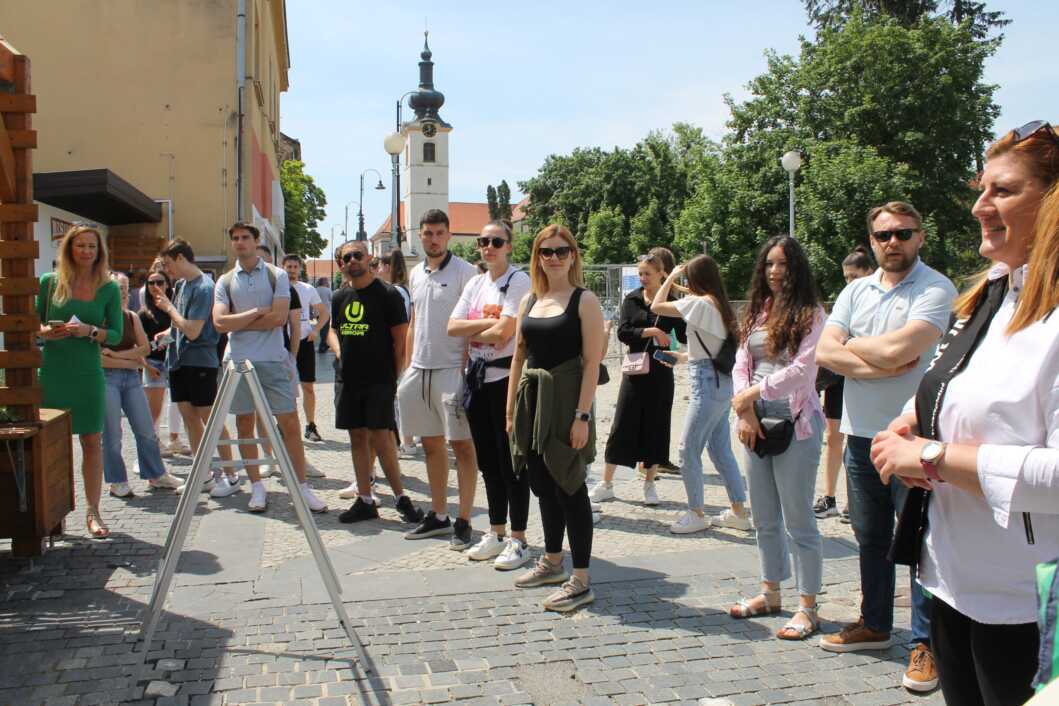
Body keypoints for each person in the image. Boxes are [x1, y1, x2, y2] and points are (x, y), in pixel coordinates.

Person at [870, 120, 1059, 705]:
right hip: (950, 586)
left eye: (1003, 191)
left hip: (1029, 606)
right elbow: (955, 386)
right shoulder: (993, 294)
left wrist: (931, 454)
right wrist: (912, 419)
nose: (980, 206)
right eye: (982, 189)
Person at [815, 202, 957, 691]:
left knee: (919, 542)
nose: (892, 242)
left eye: (902, 233)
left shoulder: (936, 288)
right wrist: (877, 363)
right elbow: (824, 352)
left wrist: (854, 350)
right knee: (870, 536)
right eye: (883, 235)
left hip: (911, 436)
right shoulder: (856, 289)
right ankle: (874, 624)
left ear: (920, 237)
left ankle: (925, 644)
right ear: (871, 240)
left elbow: (904, 349)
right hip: (858, 433)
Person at [728, 235, 827, 641]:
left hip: (797, 426)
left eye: (783, 264)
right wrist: (746, 408)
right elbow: (741, 363)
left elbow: (804, 370)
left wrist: (756, 393)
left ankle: (808, 607)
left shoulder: (813, 314)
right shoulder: (758, 311)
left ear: (797, 268)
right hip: (755, 424)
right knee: (765, 518)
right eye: (769, 264)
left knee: (799, 521)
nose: (774, 271)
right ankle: (770, 592)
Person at [508, 224, 604, 611]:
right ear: (537, 257)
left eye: (561, 251)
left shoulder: (585, 301)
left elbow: (593, 364)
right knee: (542, 485)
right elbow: (518, 356)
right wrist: (510, 410)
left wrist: (582, 416)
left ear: (573, 255)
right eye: (546, 251)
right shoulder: (530, 301)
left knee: (570, 485)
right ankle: (552, 561)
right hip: (531, 403)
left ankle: (581, 578)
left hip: (565, 402)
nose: (553, 258)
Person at [212, 222, 327, 514]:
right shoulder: (225, 281)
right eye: (235, 238)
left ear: (256, 241)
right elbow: (219, 323)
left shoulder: (277, 276)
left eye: (245, 238)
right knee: (244, 424)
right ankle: (257, 488)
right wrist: (254, 313)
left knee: (289, 422)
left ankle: (301, 486)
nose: (240, 243)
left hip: (273, 359)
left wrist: (239, 320)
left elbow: (278, 319)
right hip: (237, 360)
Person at [447, 221, 533, 570]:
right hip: (477, 380)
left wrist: (479, 328)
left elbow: (504, 333)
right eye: (483, 241)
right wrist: (487, 327)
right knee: (488, 463)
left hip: (504, 379)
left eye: (496, 241)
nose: (489, 246)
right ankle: (496, 532)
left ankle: (519, 538)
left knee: (511, 463)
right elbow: (452, 327)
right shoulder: (475, 283)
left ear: (509, 246)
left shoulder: (518, 281)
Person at [327, 240, 425, 526]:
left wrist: (394, 377)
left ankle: (401, 498)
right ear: (341, 264)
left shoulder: (388, 294)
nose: (353, 260)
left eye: (358, 255)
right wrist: (338, 349)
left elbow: (400, 340)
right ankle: (366, 499)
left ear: (368, 257)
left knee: (382, 439)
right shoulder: (339, 296)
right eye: (347, 257)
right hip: (347, 378)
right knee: (357, 438)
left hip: (379, 379)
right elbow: (333, 330)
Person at [650, 255, 749, 533]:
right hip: (719, 381)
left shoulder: (699, 303)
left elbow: (657, 305)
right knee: (720, 451)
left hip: (705, 384)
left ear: (694, 280)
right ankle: (739, 512)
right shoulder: (718, 304)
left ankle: (696, 512)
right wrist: (682, 357)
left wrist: (669, 277)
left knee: (687, 449)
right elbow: (709, 349)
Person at [398, 209, 479, 548]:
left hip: (451, 369)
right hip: (420, 368)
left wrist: (463, 370)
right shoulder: (416, 273)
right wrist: (406, 368)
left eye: (439, 233)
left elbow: (473, 326)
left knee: (461, 446)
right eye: (427, 233)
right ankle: (439, 514)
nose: (433, 239)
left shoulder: (467, 273)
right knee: (430, 443)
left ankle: (464, 519)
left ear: (449, 235)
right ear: (420, 235)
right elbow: (414, 322)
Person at [37, 225, 124, 538]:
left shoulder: (108, 287)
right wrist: (47, 332)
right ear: (69, 249)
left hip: (88, 372)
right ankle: (51, 512)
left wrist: (90, 331)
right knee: (51, 445)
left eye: (92, 246)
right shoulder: (49, 283)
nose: (87, 251)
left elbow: (116, 333)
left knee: (91, 442)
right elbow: (33, 324)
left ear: (99, 251)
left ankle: (93, 511)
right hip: (53, 371)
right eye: (80, 246)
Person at [589, 252, 686, 505]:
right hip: (634, 371)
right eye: (640, 273)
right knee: (622, 424)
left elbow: (684, 336)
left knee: (656, 426)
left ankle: (649, 485)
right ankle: (607, 482)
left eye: (648, 274)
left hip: (662, 369)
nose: (643, 278)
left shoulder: (673, 303)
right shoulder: (632, 299)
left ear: (662, 275)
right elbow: (623, 332)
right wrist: (651, 330)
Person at [156, 238, 237, 495]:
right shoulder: (181, 285)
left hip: (200, 361)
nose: (167, 271)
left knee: (210, 419)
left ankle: (231, 474)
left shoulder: (204, 287)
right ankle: (202, 474)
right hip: (179, 361)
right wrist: (167, 333)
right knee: (189, 418)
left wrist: (169, 309)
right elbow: (181, 326)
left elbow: (192, 330)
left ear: (181, 258)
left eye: (169, 264)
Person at [101, 273, 182, 497]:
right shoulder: (99, 320)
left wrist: (123, 358)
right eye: (118, 288)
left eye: (126, 287)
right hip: (107, 378)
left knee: (146, 428)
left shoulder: (130, 317)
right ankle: (117, 481)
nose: (123, 292)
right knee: (112, 434)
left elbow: (145, 349)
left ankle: (156, 475)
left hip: (131, 378)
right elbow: (99, 359)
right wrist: (131, 359)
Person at [814, 245, 876, 521]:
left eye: (854, 276)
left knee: (860, 439)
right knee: (833, 437)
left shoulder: (878, 301)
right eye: (846, 277)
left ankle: (856, 501)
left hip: (866, 379)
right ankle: (829, 497)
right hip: (839, 377)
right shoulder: (846, 300)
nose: (849, 282)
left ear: (870, 272)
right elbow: (829, 342)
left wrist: (850, 345)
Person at [282, 255, 328, 442]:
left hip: (304, 341)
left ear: (300, 269)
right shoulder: (277, 288)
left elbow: (324, 313)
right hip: (283, 341)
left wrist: (316, 330)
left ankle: (310, 425)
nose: (292, 269)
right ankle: (284, 424)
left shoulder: (307, 289)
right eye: (289, 266)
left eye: (295, 266)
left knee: (308, 386)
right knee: (284, 387)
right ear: (282, 267)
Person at [379, 249, 417, 458]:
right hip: (402, 349)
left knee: (399, 398)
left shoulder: (396, 291)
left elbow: (401, 325)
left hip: (399, 350)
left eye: (379, 266)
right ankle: (403, 441)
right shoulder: (402, 289)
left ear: (386, 267)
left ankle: (406, 441)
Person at [139, 268, 173, 439]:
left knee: (179, 407)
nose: (155, 286)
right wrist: (146, 366)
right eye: (151, 283)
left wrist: (166, 339)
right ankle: (151, 444)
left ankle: (175, 440)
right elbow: (139, 345)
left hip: (176, 361)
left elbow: (181, 330)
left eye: (159, 282)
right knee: (154, 411)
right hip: (154, 364)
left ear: (167, 285)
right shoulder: (143, 314)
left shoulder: (174, 309)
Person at [315, 276, 333, 353]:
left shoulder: (315, 290)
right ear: (325, 282)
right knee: (325, 330)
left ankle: (324, 344)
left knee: (322, 329)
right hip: (326, 313)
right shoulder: (328, 290)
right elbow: (332, 299)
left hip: (317, 313)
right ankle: (322, 346)